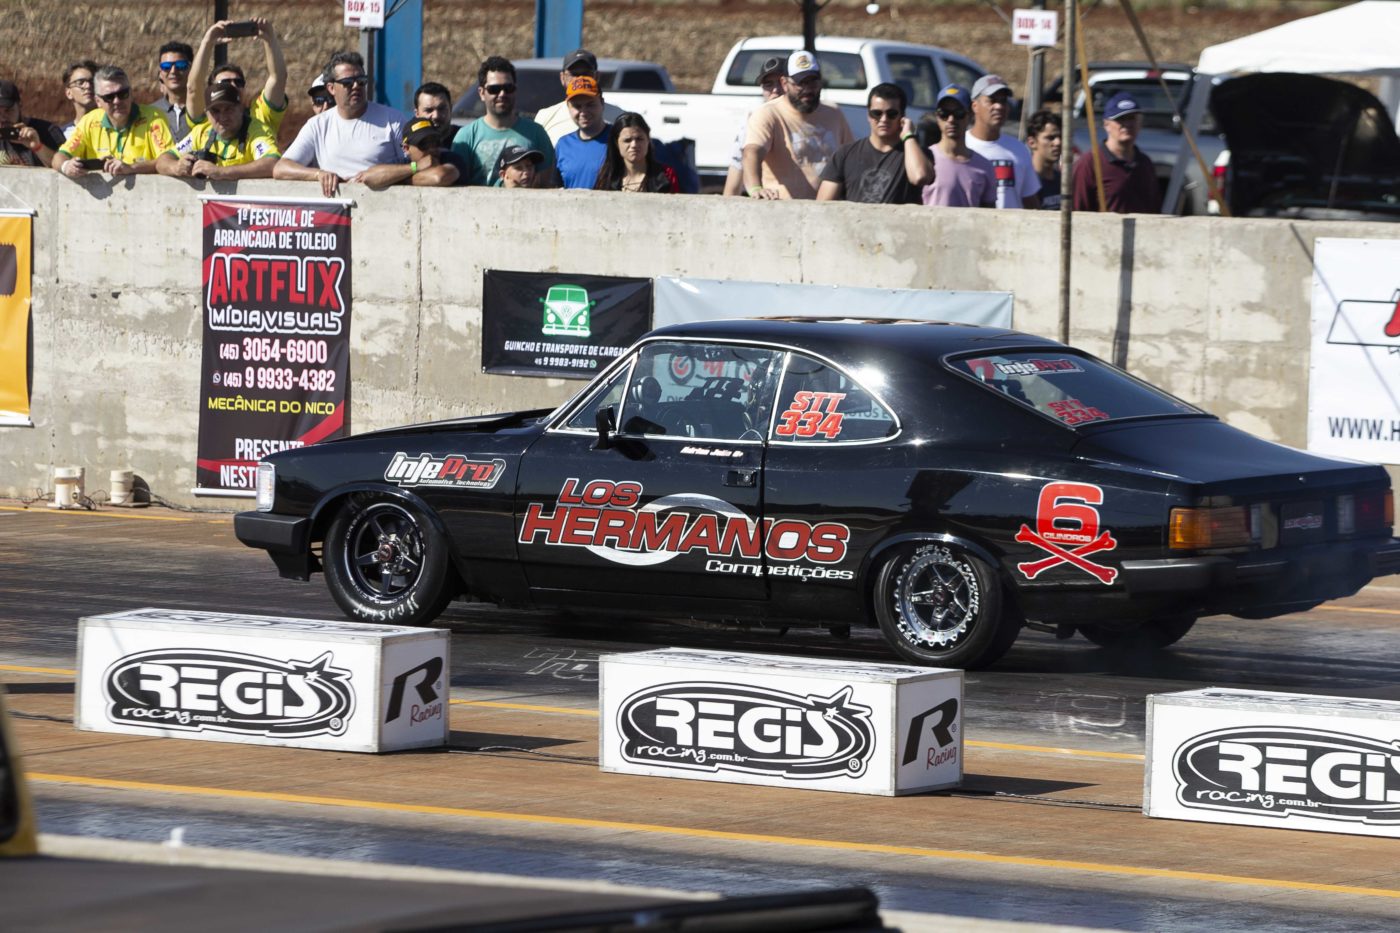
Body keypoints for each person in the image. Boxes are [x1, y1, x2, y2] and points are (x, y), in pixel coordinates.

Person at [274, 51, 408, 197]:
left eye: (361, 81)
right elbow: (281, 168)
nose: (356, 86)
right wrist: (319, 174)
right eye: (347, 83)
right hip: (334, 215)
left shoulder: (393, 120)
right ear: (331, 88)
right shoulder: (317, 125)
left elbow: (414, 165)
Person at [742, 50, 853, 200]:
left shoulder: (834, 113)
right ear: (785, 83)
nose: (807, 89)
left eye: (813, 81)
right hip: (784, 211)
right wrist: (756, 188)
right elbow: (752, 152)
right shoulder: (768, 114)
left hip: (828, 212)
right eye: (800, 83)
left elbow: (851, 158)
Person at [54, 66, 180, 178]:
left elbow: (165, 161)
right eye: (109, 97)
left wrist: (131, 168)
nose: (117, 101)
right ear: (98, 101)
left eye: (122, 94)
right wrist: (66, 166)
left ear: (131, 94)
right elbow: (59, 157)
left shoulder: (153, 117)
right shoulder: (89, 121)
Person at [817, 82, 933, 204]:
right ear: (868, 115)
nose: (884, 119)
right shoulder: (845, 154)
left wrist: (909, 136)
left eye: (891, 114)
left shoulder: (917, 154)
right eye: (877, 113)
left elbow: (920, 176)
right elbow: (823, 205)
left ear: (902, 117)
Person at [450, 56, 554, 187]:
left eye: (508, 88)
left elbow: (544, 185)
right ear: (482, 93)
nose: (502, 94)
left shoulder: (537, 133)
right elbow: (457, 188)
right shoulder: (466, 136)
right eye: (494, 89)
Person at [186, 19, 289, 137]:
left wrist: (270, 39)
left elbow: (278, 78)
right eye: (225, 83)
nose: (233, 85)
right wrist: (207, 42)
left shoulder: (260, 114)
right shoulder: (208, 115)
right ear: (211, 90)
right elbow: (193, 88)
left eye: (238, 82)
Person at [169, 82, 279, 180]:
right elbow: (163, 160)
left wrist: (222, 172)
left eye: (228, 109)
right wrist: (176, 167)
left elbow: (272, 162)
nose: (223, 117)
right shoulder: (202, 132)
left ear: (241, 108)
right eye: (215, 111)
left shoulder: (257, 130)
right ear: (206, 114)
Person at [1072, 92, 1160, 214]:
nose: (1127, 124)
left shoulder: (1145, 163)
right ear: (1106, 125)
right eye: (1121, 120)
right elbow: (1078, 212)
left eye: (1132, 118)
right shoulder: (1089, 163)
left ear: (1139, 123)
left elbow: (1153, 209)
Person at [965, 74, 1040, 209]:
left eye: (1003, 101)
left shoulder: (1019, 149)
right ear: (975, 106)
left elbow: (1030, 201)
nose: (999, 106)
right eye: (992, 100)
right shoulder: (962, 145)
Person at [920, 85, 995, 208]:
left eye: (958, 113)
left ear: (970, 116)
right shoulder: (923, 161)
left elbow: (991, 217)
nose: (951, 119)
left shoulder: (985, 166)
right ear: (937, 117)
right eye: (944, 113)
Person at [722, 55, 785, 197]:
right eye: (768, 84)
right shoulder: (752, 123)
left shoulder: (808, 119)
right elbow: (733, 182)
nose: (775, 90)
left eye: (781, 82)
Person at [534, 49, 624, 145]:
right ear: (562, 78)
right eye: (574, 74)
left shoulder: (619, 118)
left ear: (597, 76)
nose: (580, 79)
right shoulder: (545, 117)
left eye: (586, 73)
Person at [356, 118, 460, 190]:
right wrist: (415, 167)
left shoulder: (449, 158)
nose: (432, 148)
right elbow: (369, 177)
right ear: (406, 148)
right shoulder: (404, 163)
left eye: (435, 142)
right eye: (424, 144)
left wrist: (398, 179)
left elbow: (439, 177)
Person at [594, 112, 678, 192]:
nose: (634, 145)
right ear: (617, 143)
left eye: (639, 139)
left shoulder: (666, 175)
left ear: (648, 140)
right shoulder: (606, 177)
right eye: (627, 140)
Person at [555, 76, 612, 189]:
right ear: (568, 107)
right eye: (577, 106)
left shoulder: (618, 139)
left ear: (602, 103)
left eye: (590, 105)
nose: (583, 112)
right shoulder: (563, 144)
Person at [0, 80, 65, 168]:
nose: (3, 118)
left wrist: (38, 147)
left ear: (19, 106)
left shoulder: (48, 131)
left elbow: (65, 168)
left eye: (8, 110)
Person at [150, 41, 195, 142]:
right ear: (160, 73)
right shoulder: (150, 113)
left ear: (192, 69)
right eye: (166, 66)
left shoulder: (205, 110)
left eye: (181, 65)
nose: (173, 71)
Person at [1025, 109, 1063, 211]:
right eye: (1050, 138)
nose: (1058, 142)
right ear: (1032, 142)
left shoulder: (1063, 181)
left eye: (1060, 137)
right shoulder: (1026, 182)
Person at [60, 60, 99, 140]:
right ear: (68, 93)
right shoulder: (63, 135)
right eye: (80, 82)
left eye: (92, 82)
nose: (88, 86)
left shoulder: (113, 129)